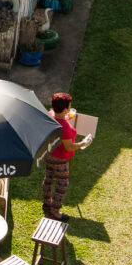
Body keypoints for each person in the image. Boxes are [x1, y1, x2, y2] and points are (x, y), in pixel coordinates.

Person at [43, 92, 92, 221]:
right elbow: (69, 146)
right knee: (62, 184)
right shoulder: (64, 126)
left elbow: (57, 119)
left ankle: (47, 202)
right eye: (69, 106)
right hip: (61, 159)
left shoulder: (50, 115)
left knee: (49, 179)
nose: (70, 108)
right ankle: (55, 210)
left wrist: (65, 117)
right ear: (65, 109)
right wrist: (83, 143)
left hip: (49, 154)